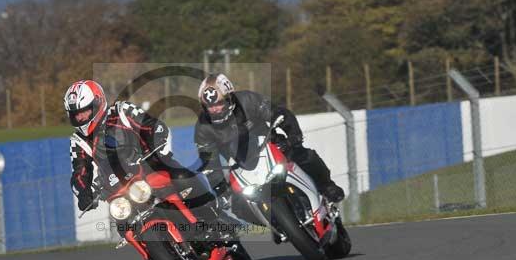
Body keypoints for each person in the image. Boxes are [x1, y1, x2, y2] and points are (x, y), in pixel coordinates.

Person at [64, 78, 226, 228]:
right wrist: (84, 194)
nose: (81, 118)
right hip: (121, 189)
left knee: (183, 176)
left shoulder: (120, 111)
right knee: (123, 225)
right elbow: (79, 172)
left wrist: (157, 150)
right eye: (75, 115)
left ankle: (215, 212)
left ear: (98, 103)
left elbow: (151, 126)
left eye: (84, 111)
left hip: (151, 167)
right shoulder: (78, 141)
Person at [194, 73, 345, 228]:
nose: (215, 109)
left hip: (272, 145)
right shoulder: (202, 128)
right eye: (210, 106)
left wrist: (294, 137)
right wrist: (221, 191)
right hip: (243, 166)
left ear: (230, 98)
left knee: (304, 155)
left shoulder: (247, 100)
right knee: (238, 205)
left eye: (219, 103)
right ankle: (276, 224)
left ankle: (326, 185)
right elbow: (210, 163)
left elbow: (279, 113)